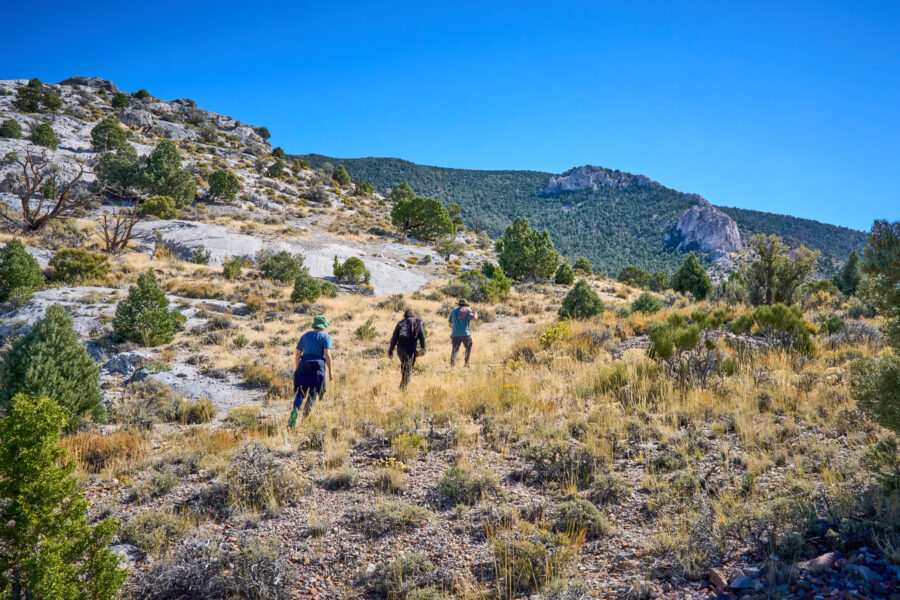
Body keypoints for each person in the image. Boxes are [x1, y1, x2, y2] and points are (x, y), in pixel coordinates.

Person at [289, 315, 333, 426]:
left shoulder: (305, 336)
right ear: (323, 326)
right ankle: (305, 417)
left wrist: (298, 368)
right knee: (313, 393)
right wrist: (330, 370)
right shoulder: (325, 337)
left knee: (301, 392)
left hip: (304, 365)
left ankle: (295, 410)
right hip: (317, 366)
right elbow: (327, 354)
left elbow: (297, 354)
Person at [388, 308, 426, 389]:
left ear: (405, 315)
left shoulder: (400, 323)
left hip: (400, 350)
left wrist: (390, 350)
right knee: (408, 369)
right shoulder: (417, 323)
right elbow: (422, 337)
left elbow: (394, 338)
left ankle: (403, 386)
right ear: (413, 315)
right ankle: (403, 389)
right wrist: (423, 348)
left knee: (404, 367)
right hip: (411, 350)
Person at [448, 299, 478, 367]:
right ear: (465, 305)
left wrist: (456, 328)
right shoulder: (467, 311)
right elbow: (475, 318)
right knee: (468, 347)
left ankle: (452, 365)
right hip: (465, 334)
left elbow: (450, 324)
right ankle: (466, 364)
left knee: (455, 350)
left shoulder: (453, 312)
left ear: (458, 304)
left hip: (455, 334)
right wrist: (476, 313)